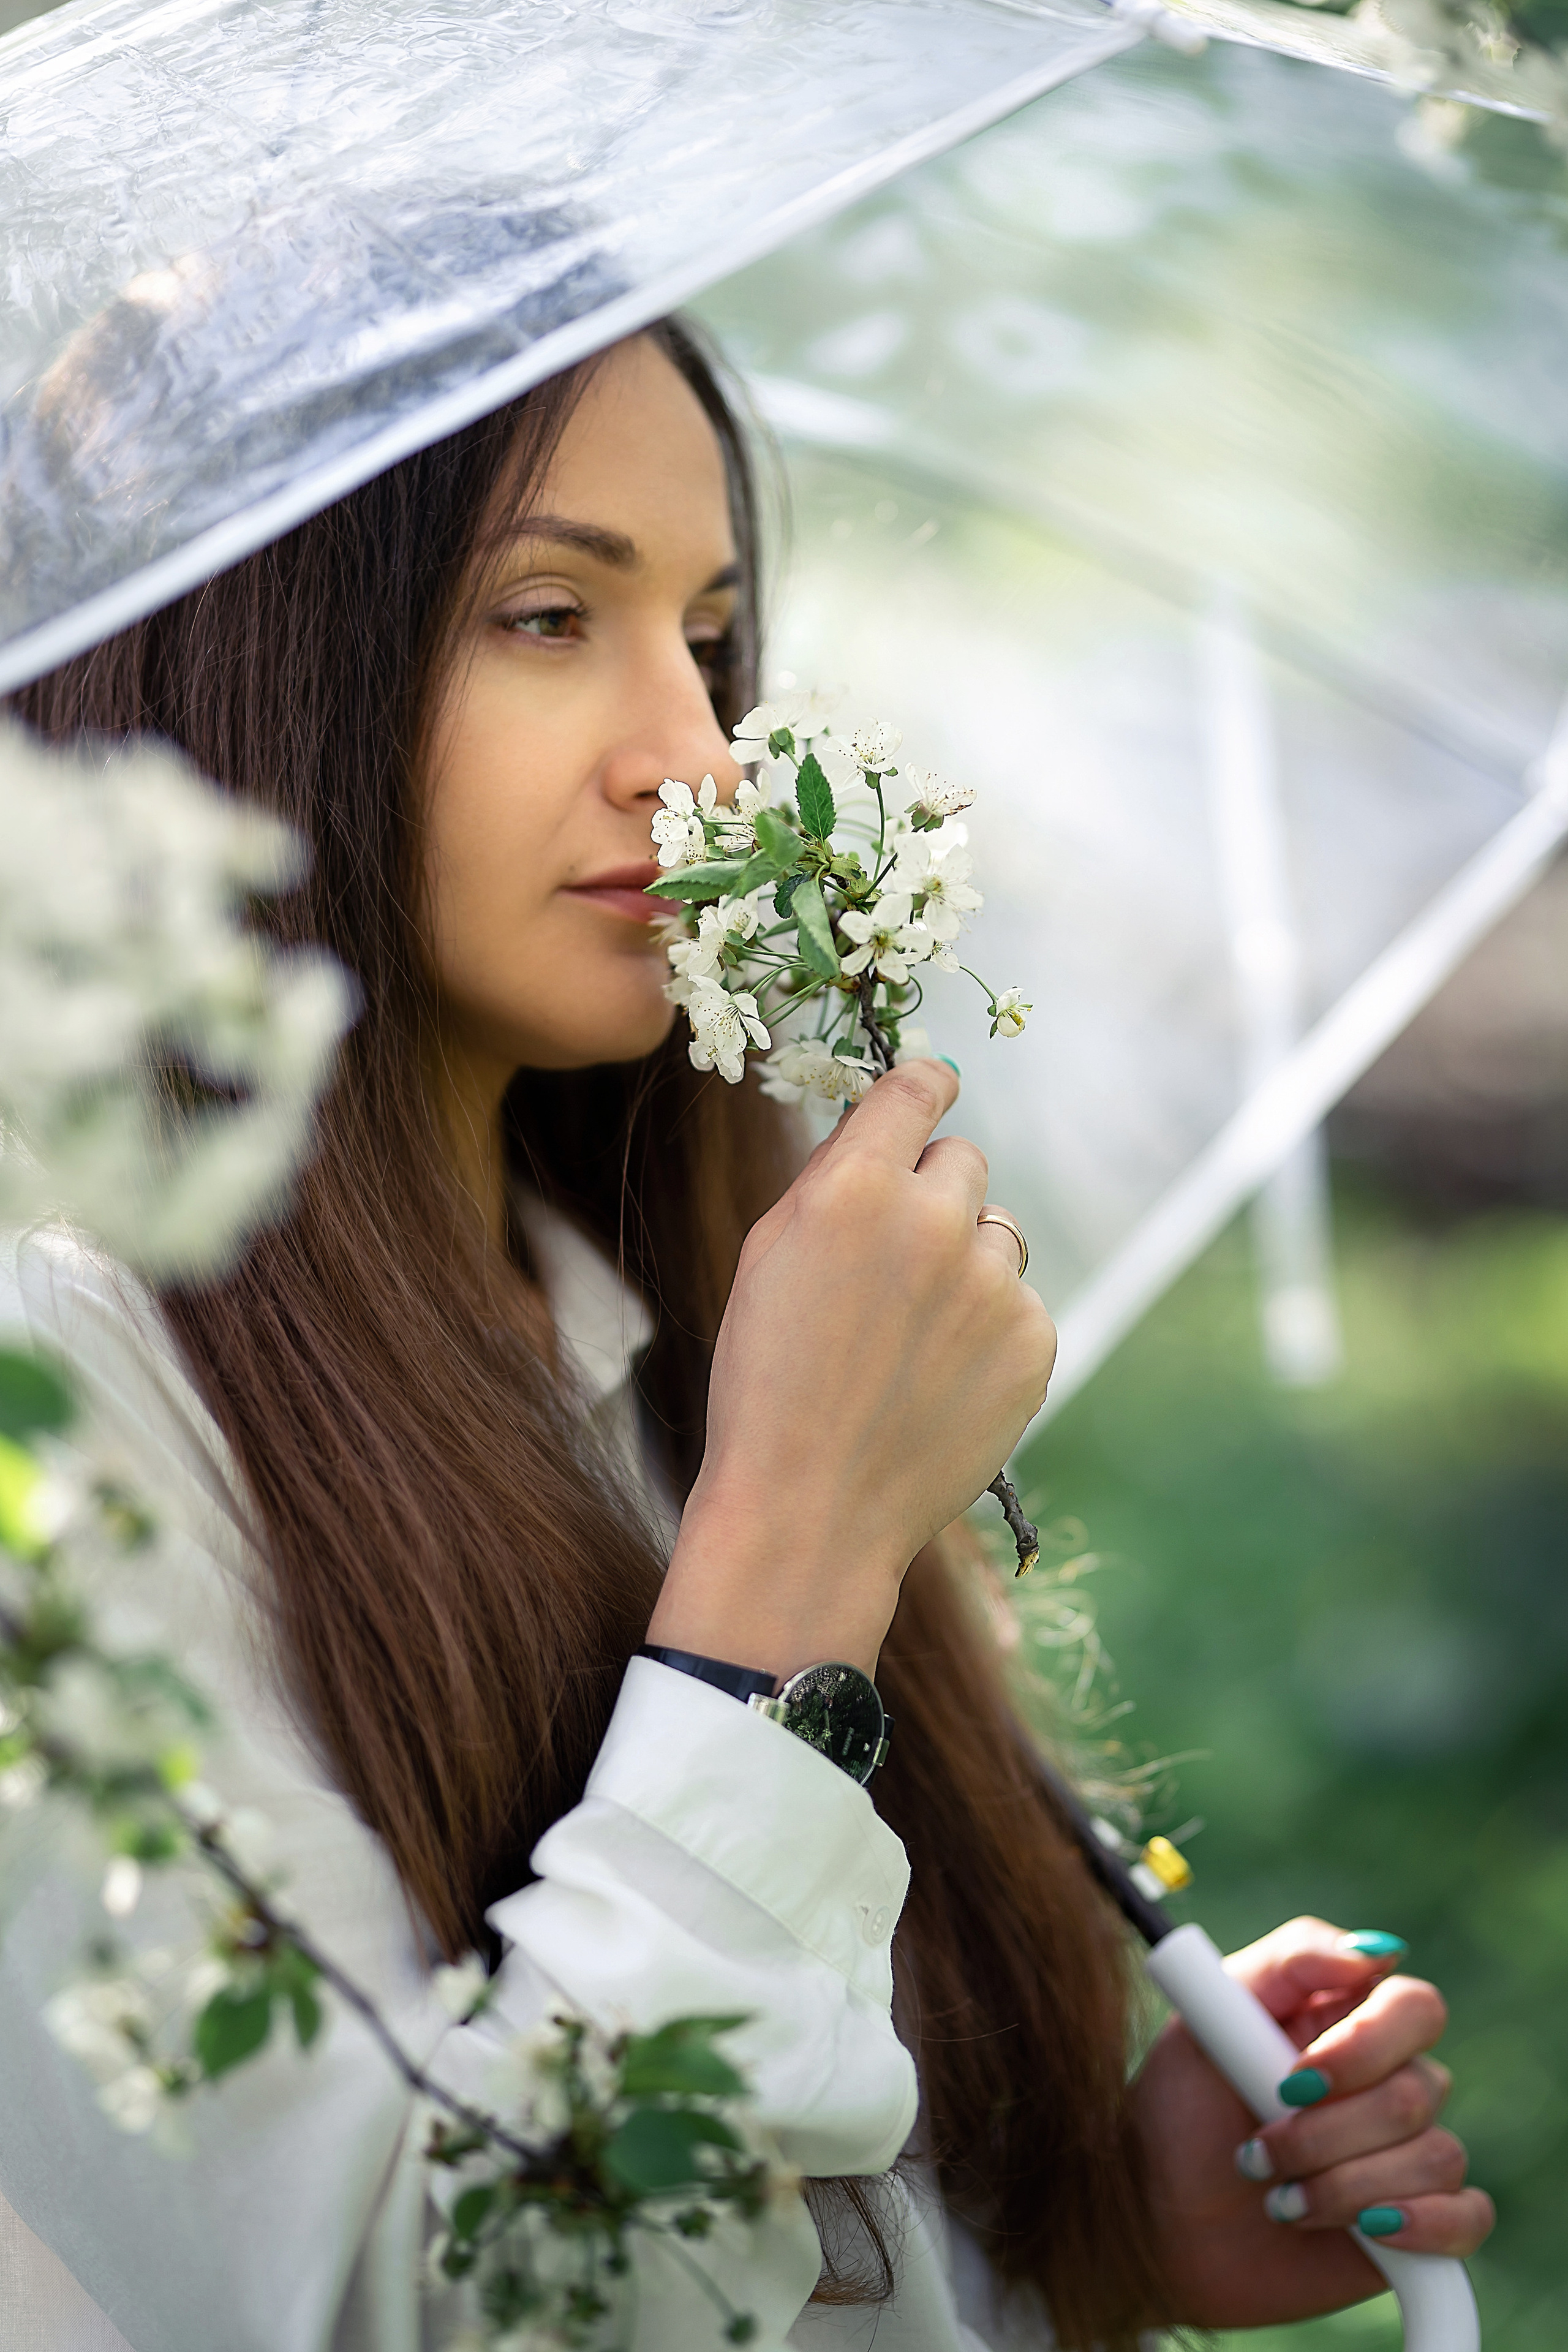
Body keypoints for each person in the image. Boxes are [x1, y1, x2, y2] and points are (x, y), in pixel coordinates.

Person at [0, 320, 1491, 2352]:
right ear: (225, 665)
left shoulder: (658, 1309)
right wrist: (796, 1549)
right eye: (547, 615)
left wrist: (1078, 2248)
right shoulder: (59, 1436)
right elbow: (444, 2312)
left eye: (709, 640)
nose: (701, 764)